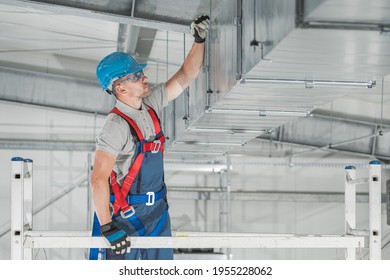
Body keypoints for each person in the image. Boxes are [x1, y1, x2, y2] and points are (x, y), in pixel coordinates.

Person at [90, 15, 210, 260]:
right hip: (124, 217)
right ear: (120, 88)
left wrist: (199, 40)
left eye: (140, 72)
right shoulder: (116, 125)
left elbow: (187, 75)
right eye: (136, 76)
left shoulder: (151, 104)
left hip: (157, 213)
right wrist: (107, 228)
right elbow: (98, 179)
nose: (144, 77)